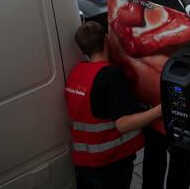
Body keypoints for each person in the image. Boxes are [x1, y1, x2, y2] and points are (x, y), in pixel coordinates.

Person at [65, 21, 161, 189]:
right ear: (106, 39)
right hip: (109, 163)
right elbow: (123, 124)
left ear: (81, 50)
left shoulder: (76, 73)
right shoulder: (110, 75)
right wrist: (160, 109)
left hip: (83, 162)